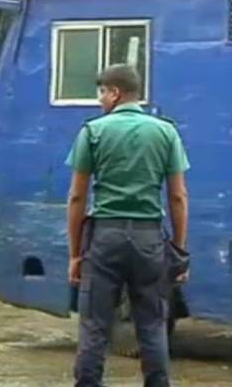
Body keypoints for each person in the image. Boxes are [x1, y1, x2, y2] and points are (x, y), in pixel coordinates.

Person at [66, 65, 190, 387]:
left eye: (102, 92)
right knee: (151, 324)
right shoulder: (166, 132)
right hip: (149, 238)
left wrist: (75, 253)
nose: (100, 100)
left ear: (115, 93)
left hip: (104, 238)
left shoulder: (92, 132)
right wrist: (178, 250)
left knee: (95, 325)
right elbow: (178, 197)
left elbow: (77, 197)